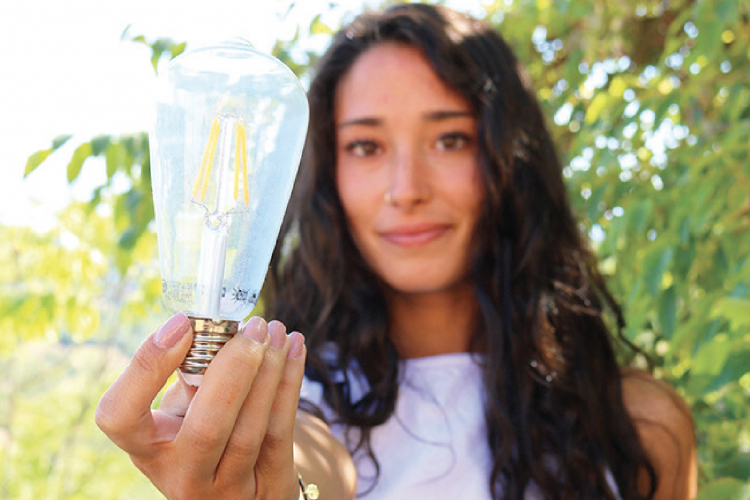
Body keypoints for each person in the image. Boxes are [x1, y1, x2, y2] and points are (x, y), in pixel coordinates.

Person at [95, 4, 697, 500]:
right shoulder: (299, 405)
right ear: (327, 176)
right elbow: (304, 463)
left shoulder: (641, 429)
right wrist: (258, 474)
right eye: (365, 146)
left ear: (510, 161)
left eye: (450, 139)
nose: (406, 189)